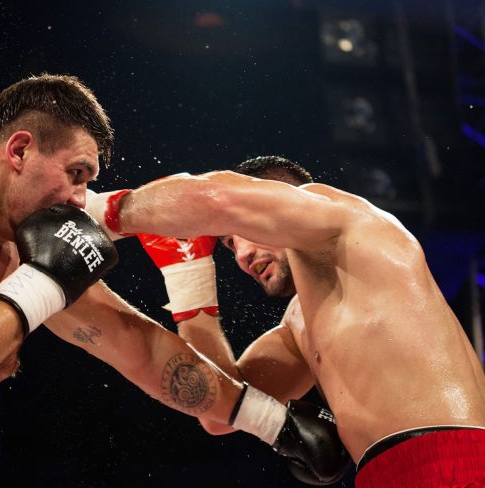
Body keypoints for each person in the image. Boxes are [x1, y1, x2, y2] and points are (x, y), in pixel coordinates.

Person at [0, 76, 346, 487]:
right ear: (19, 151)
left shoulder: (22, 257)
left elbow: (140, 347)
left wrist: (275, 424)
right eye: (77, 174)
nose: (81, 200)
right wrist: (44, 280)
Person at [87, 156, 485, 487]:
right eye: (227, 244)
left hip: (450, 458)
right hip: (391, 472)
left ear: (276, 203)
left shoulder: (343, 217)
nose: (240, 254)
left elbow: (216, 197)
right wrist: (188, 278)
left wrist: (95, 212)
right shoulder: (300, 323)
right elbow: (219, 407)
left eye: (242, 232)